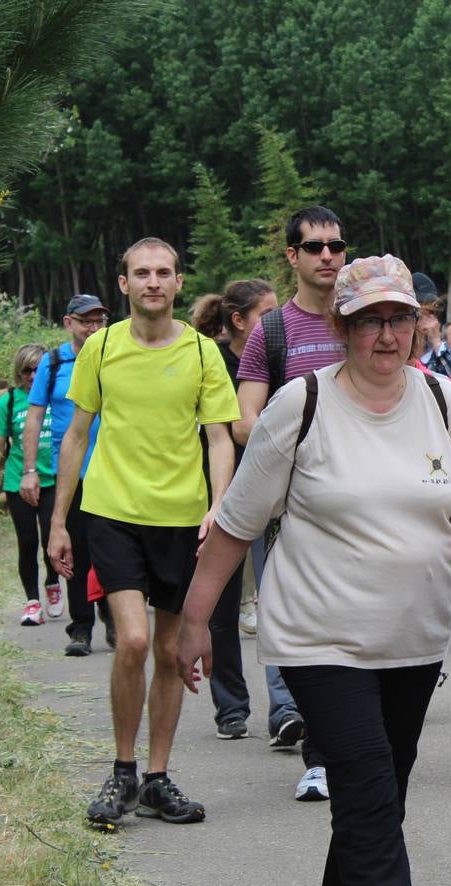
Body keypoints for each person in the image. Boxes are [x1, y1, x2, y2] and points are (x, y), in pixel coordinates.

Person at [175, 254, 451, 886]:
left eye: (400, 319)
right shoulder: (300, 404)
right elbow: (236, 522)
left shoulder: (442, 403)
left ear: (419, 326)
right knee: (369, 804)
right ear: (341, 327)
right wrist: (196, 620)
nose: (387, 335)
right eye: (369, 321)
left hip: (414, 643)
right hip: (320, 642)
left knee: (377, 805)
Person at [46, 237, 239, 829]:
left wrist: (219, 507)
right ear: (124, 284)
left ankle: (156, 778)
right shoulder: (100, 348)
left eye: (164, 273)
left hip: (181, 519)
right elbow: (77, 435)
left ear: (179, 283)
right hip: (112, 512)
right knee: (130, 640)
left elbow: (218, 438)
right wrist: (59, 520)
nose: (153, 282)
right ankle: (122, 770)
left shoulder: (204, 353)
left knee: (170, 650)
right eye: (141, 273)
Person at [234, 205, 347, 799]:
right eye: (313, 247)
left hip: (366, 506)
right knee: (307, 628)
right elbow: (244, 424)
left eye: (335, 245)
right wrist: (305, 438)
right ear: (292, 257)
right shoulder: (272, 332)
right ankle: (319, 753)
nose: (326, 255)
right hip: (297, 508)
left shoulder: (366, 318)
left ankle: (355, 742)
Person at [190, 279, 279, 740]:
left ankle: (285, 707)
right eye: (267, 313)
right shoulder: (210, 361)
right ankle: (231, 707)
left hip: (271, 492)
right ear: (239, 321)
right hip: (217, 495)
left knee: (279, 596)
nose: (277, 321)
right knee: (222, 608)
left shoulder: (277, 355)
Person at [20, 293, 110, 657]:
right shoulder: (53, 363)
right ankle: (81, 628)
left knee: (112, 551)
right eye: (85, 320)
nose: (92, 327)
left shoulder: (114, 355)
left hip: (113, 471)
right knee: (75, 550)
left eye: (98, 320)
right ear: (68, 322)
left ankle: (114, 615)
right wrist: (29, 470)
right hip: (70, 474)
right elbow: (34, 418)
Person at [0, 343, 59, 625]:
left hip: (54, 480)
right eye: (26, 371)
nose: (33, 377)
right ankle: (32, 602)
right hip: (17, 482)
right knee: (27, 541)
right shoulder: (9, 402)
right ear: (18, 373)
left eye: (38, 370)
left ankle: (52, 581)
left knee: (52, 539)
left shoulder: (57, 397)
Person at [414, 273, 451, 380]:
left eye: (433, 312)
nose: (432, 318)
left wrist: (437, 342)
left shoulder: (437, 351)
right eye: (427, 311)